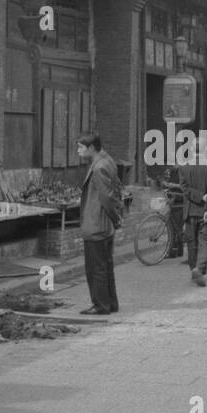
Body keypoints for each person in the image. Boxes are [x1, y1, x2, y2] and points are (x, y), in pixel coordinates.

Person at [77, 133, 121, 315]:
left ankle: (100, 305)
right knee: (105, 266)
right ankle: (110, 303)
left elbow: (107, 197)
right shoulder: (107, 160)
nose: (78, 150)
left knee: (95, 268)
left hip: (97, 224)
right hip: (104, 225)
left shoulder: (98, 168)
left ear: (92, 148)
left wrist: (115, 218)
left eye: (80, 147)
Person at [178, 158, 207, 287]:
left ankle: (193, 270)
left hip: (190, 211)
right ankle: (199, 269)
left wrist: (199, 195)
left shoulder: (184, 168)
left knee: (192, 243)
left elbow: (184, 188)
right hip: (205, 211)